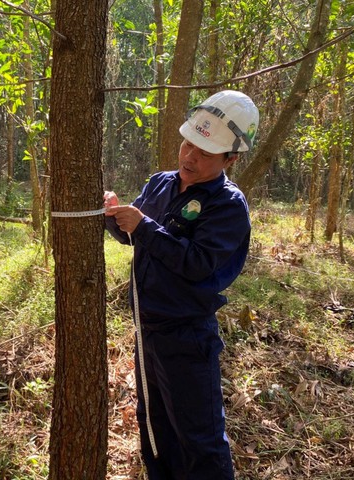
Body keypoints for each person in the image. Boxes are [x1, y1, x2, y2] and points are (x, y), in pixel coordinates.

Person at [104, 90, 259, 480]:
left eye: (205, 152)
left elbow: (196, 264)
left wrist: (143, 225)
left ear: (231, 158)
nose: (190, 156)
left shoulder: (227, 206)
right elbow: (134, 236)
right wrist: (114, 214)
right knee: (155, 427)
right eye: (188, 142)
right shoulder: (160, 184)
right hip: (147, 331)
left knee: (200, 439)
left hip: (187, 337)